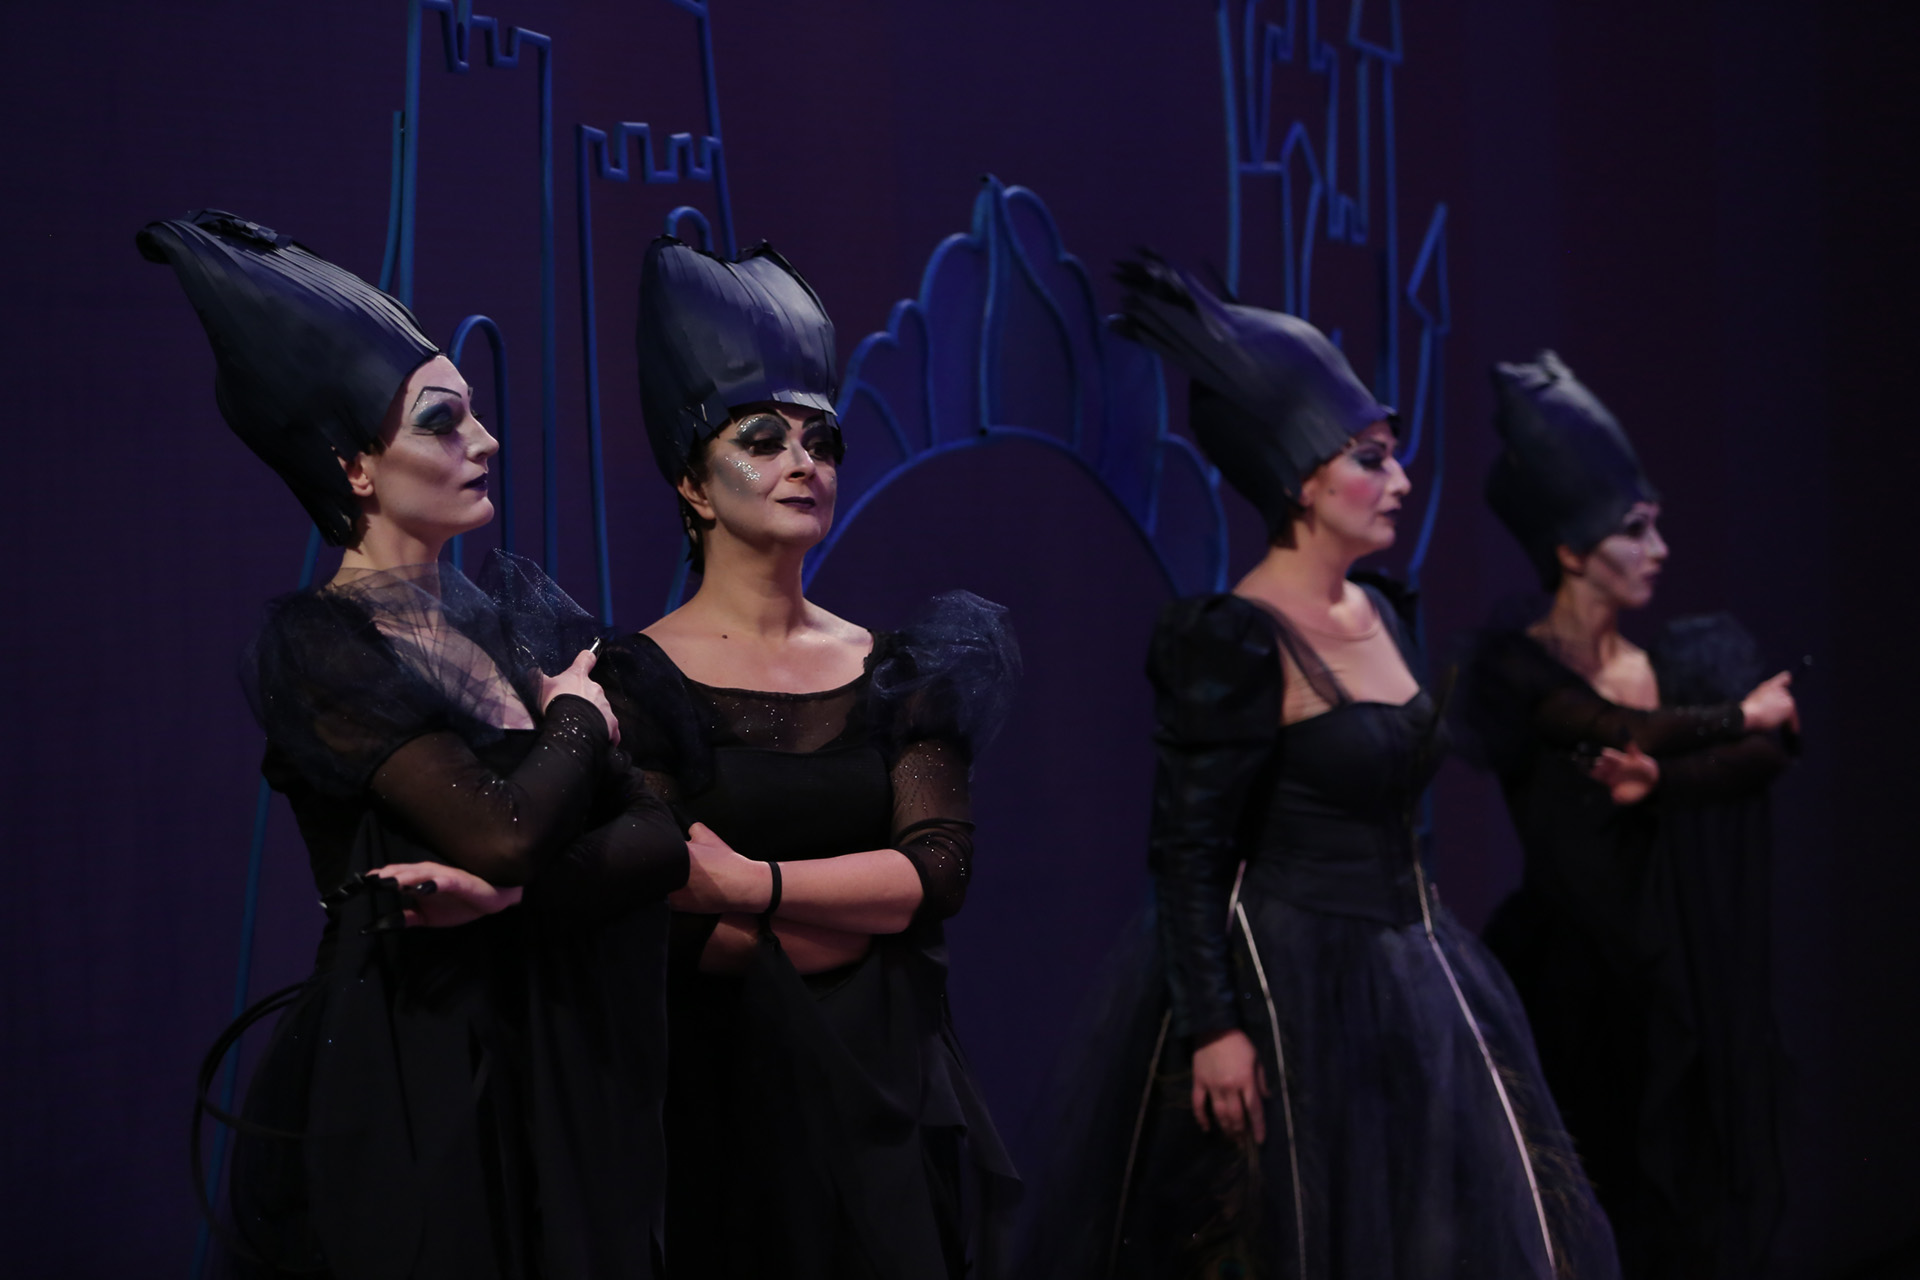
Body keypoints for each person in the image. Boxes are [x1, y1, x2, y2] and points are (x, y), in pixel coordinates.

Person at [1012, 256, 1619, 1280]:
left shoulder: (1383, 608)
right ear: (1300, 476)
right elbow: (1189, 852)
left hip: (1416, 974)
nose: (1401, 481)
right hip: (1288, 989)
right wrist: (1214, 1027)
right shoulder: (1235, 637)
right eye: (1371, 459)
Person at [141, 209, 688, 1278]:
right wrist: (577, 716)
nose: (485, 442)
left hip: (555, 1048)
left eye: (475, 415)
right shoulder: (326, 645)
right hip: (417, 1060)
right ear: (353, 464)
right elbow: (503, 831)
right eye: (444, 423)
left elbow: (663, 841)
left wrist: (513, 894)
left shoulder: (510, 622)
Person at [588, 235, 1021, 1279]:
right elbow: (664, 921)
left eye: (821, 440)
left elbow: (938, 870)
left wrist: (755, 885)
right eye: (762, 438)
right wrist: (863, 922)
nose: (803, 462)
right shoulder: (636, 679)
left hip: (886, 1091)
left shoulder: (899, 668)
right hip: (722, 1098)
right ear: (693, 486)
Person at [1457, 351, 1796, 1278]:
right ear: (1573, 550)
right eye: (1635, 531)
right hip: (1575, 988)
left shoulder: (1681, 662)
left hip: (1671, 979)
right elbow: (1619, 728)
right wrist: (1739, 718)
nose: (1660, 551)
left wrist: (1665, 780)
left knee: (1681, 1210)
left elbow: (1765, 759)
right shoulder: (1517, 668)